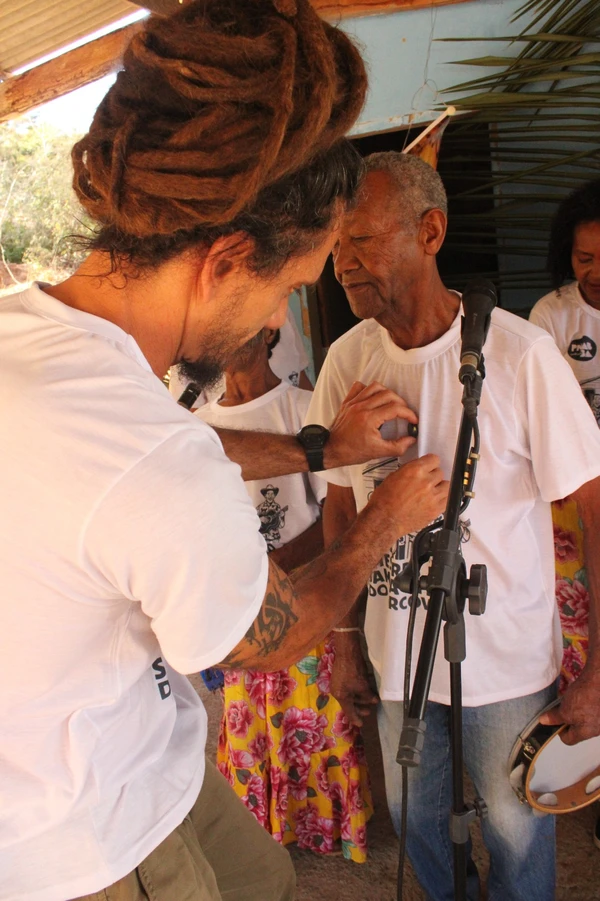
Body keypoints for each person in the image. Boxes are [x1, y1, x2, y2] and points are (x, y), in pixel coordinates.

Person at [0, 5, 452, 901]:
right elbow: (264, 642)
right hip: (86, 840)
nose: (284, 318)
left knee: (266, 875)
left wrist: (318, 444)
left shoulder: (30, 333)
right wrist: (378, 528)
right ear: (224, 259)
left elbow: (149, 467)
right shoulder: (155, 461)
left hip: (140, 755)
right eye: (288, 285)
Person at [306, 151, 600, 901]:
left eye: (362, 240)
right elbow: (339, 502)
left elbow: (594, 508)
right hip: (397, 656)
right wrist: (343, 640)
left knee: (514, 829)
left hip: (505, 666)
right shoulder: (345, 361)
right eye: (337, 246)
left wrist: (599, 666)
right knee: (416, 822)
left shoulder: (521, 354)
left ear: (429, 230)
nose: (343, 263)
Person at [196, 328, 372, 861]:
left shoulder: (304, 410)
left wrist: (268, 573)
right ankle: (269, 832)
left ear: (272, 330)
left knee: (316, 719)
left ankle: (325, 828)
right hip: (237, 610)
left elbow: (336, 519)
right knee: (250, 721)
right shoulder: (197, 428)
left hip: (306, 600)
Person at [530, 178, 600, 848]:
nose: (596, 271)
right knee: (586, 644)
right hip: (576, 508)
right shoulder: (550, 318)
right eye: (584, 259)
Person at [169, 305, 313, 409]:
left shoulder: (281, 313)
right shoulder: (192, 333)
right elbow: (189, 415)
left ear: (270, 332)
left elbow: (299, 376)